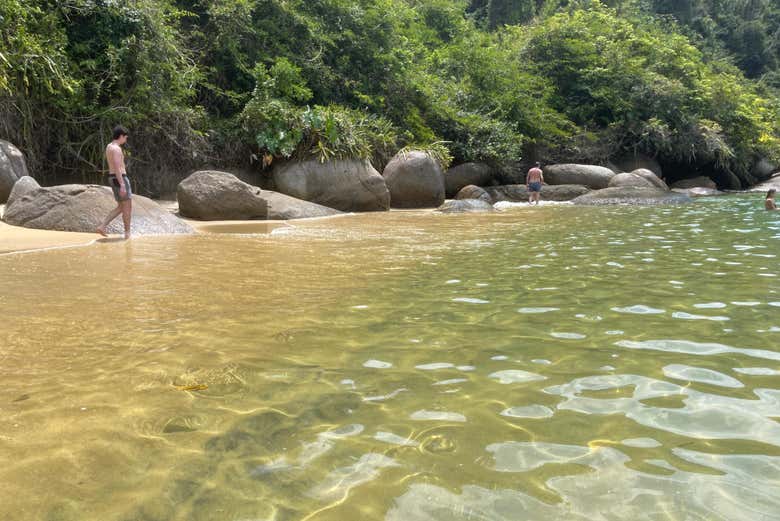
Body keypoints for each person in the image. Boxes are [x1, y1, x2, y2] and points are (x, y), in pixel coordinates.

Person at [97, 126, 132, 239]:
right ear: (121, 136)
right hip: (119, 178)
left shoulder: (109, 146)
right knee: (127, 207)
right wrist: (122, 184)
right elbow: (117, 167)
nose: (125, 140)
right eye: (125, 137)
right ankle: (127, 233)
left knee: (121, 207)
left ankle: (102, 226)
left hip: (113, 177)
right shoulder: (116, 149)